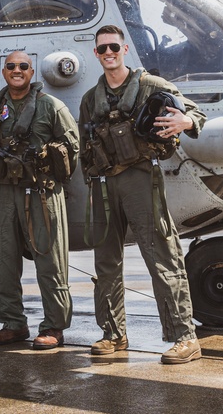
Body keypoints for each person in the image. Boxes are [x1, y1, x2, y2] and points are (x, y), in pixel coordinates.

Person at [79, 24, 206, 364]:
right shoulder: (91, 99)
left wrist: (185, 123)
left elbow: (196, 113)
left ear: (124, 51)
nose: (108, 53)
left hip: (139, 180)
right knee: (105, 262)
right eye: (103, 49)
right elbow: (84, 147)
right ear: (96, 54)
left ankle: (185, 336)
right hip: (103, 186)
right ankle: (113, 334)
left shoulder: (150, 86)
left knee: (161, 256)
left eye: (114, 48)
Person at [0, 50, 78, 350]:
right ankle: (12, 324)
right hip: (5, 194)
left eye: (23, 66)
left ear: (31, 71)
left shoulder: (51, 107)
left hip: (41, 193)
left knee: (50, 262)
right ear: (4, 71)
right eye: (11, 66)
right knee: (3, 262)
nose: (17, 70)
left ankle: (54, 326)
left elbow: (72, 148)